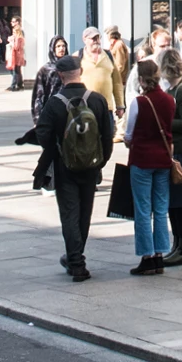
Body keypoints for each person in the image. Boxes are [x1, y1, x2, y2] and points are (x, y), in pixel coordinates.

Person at [35, 53, 114, 280]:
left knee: (69, 213)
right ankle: (75, 256)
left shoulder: (55, 103)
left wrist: (56, 152)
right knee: (84, 213)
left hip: (65, 166)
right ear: (80, 71)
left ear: (60, 75)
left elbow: (43, 133)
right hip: (91, 166)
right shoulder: (97, 100)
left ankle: (76, 262)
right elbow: (107, 135)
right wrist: (100, 160)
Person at [125, 58, 174, 274]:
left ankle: (147, 256)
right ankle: (160, 255)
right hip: (163, 159)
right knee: (161, 208)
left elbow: (128, 135)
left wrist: (131, 140)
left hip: (142, 159)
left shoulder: (139, 102)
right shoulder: (169, 100)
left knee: (143, 209)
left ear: (142, 80)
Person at [158, 47, 182, 266]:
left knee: (180, 203)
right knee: (174, 203)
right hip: (177, 151)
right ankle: (177, 245)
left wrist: (163, 124)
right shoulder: (173, 90)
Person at [80, 26, 124, 114]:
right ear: (85, 40)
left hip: (106, 108)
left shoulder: (108, 56)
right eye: (93, 38)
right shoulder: (78, 56)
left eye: (98, 38)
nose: (96, 41)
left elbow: (117, 82)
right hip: (85, 108)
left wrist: (120, 105)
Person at [31, 36, 71, 123]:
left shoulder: (70, 68)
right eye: (58, 46)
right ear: (53, 48)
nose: (61, 48)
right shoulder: (46, 70)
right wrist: (37, 119)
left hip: (68, 112)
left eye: (63, 46)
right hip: (50, 112)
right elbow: (38, 95)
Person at [104, 27, 131, 105]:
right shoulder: (115, 45)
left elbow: (120, 65)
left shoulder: (118, 45)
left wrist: (113, 77)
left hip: (119, 80)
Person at [6, 18, 26, 91]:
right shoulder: (20, 37)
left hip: (16, 55)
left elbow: (16, 46)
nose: (11, 23)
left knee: (15, 70)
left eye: (13, 21)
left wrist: (11, 41)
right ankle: (20, 84)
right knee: (18, 70)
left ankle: (13, 85)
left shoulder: (18, 38)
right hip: (19, 55)